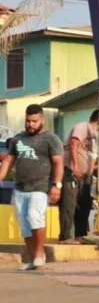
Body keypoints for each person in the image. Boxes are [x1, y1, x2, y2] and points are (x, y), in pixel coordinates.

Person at [0, 104, 64, 271]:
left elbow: (58, 162)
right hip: (20, 188)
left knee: (34, 216)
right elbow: (8, 161)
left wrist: (57, 185)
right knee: (24, 224)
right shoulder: (17, 139)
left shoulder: (51, 139)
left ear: (42, 119)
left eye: (34, 121)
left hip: (40, 187)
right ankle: (33, 258)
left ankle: (39, 253)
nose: (30, 124)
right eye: (28, 121)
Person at [59, 108, 99, 245]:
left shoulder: (96, 138)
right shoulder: (83, 127)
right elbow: (74, 143)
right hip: (71, 172)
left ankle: (80, 235)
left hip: (86, 177)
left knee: (85, 204)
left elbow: (93, 157)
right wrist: (75, 165)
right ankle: (65, 236)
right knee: (69, 204)